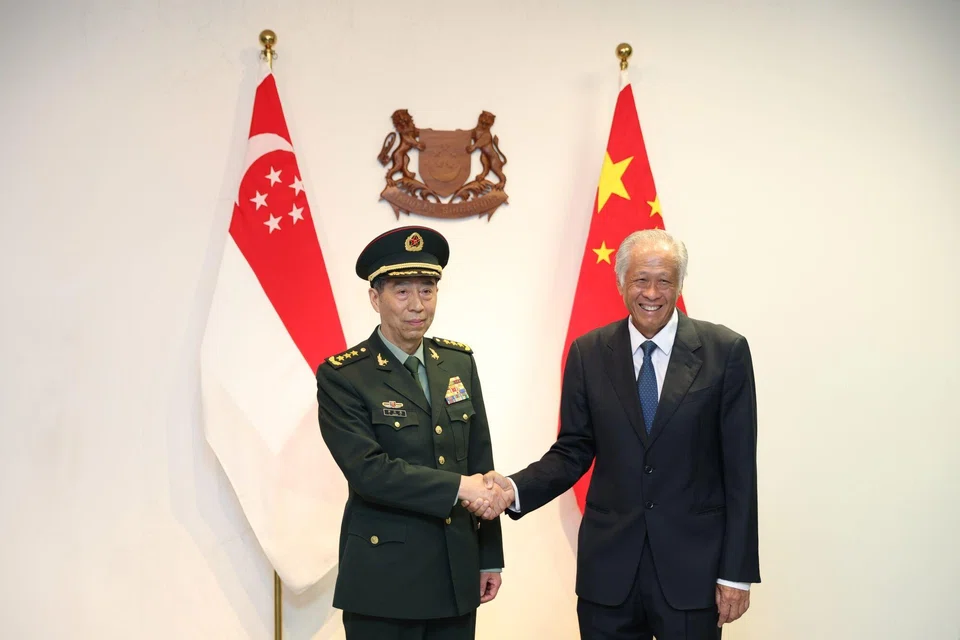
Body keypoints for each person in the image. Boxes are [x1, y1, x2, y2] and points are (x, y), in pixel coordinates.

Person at [467, 228, 760, 639]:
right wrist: (512, 489)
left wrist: (737, 573)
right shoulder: (589, 353)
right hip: (609, 575)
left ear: (679, 284)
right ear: (621, 281)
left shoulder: (724, 351)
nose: (652, 292)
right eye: (641, 279)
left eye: (665, 280)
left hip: (693, 573)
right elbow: (573, 450)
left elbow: (741, 470)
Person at [316, 225, 512, 640]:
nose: (417, 305)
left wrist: (488, 556)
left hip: (456, 574)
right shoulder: (345, 376)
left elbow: (481, 462)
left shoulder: (458, 363)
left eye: (427, 290)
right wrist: (461, 487)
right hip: (385, 584)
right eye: (402, 291)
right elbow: (370, 472)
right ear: (375, 297)